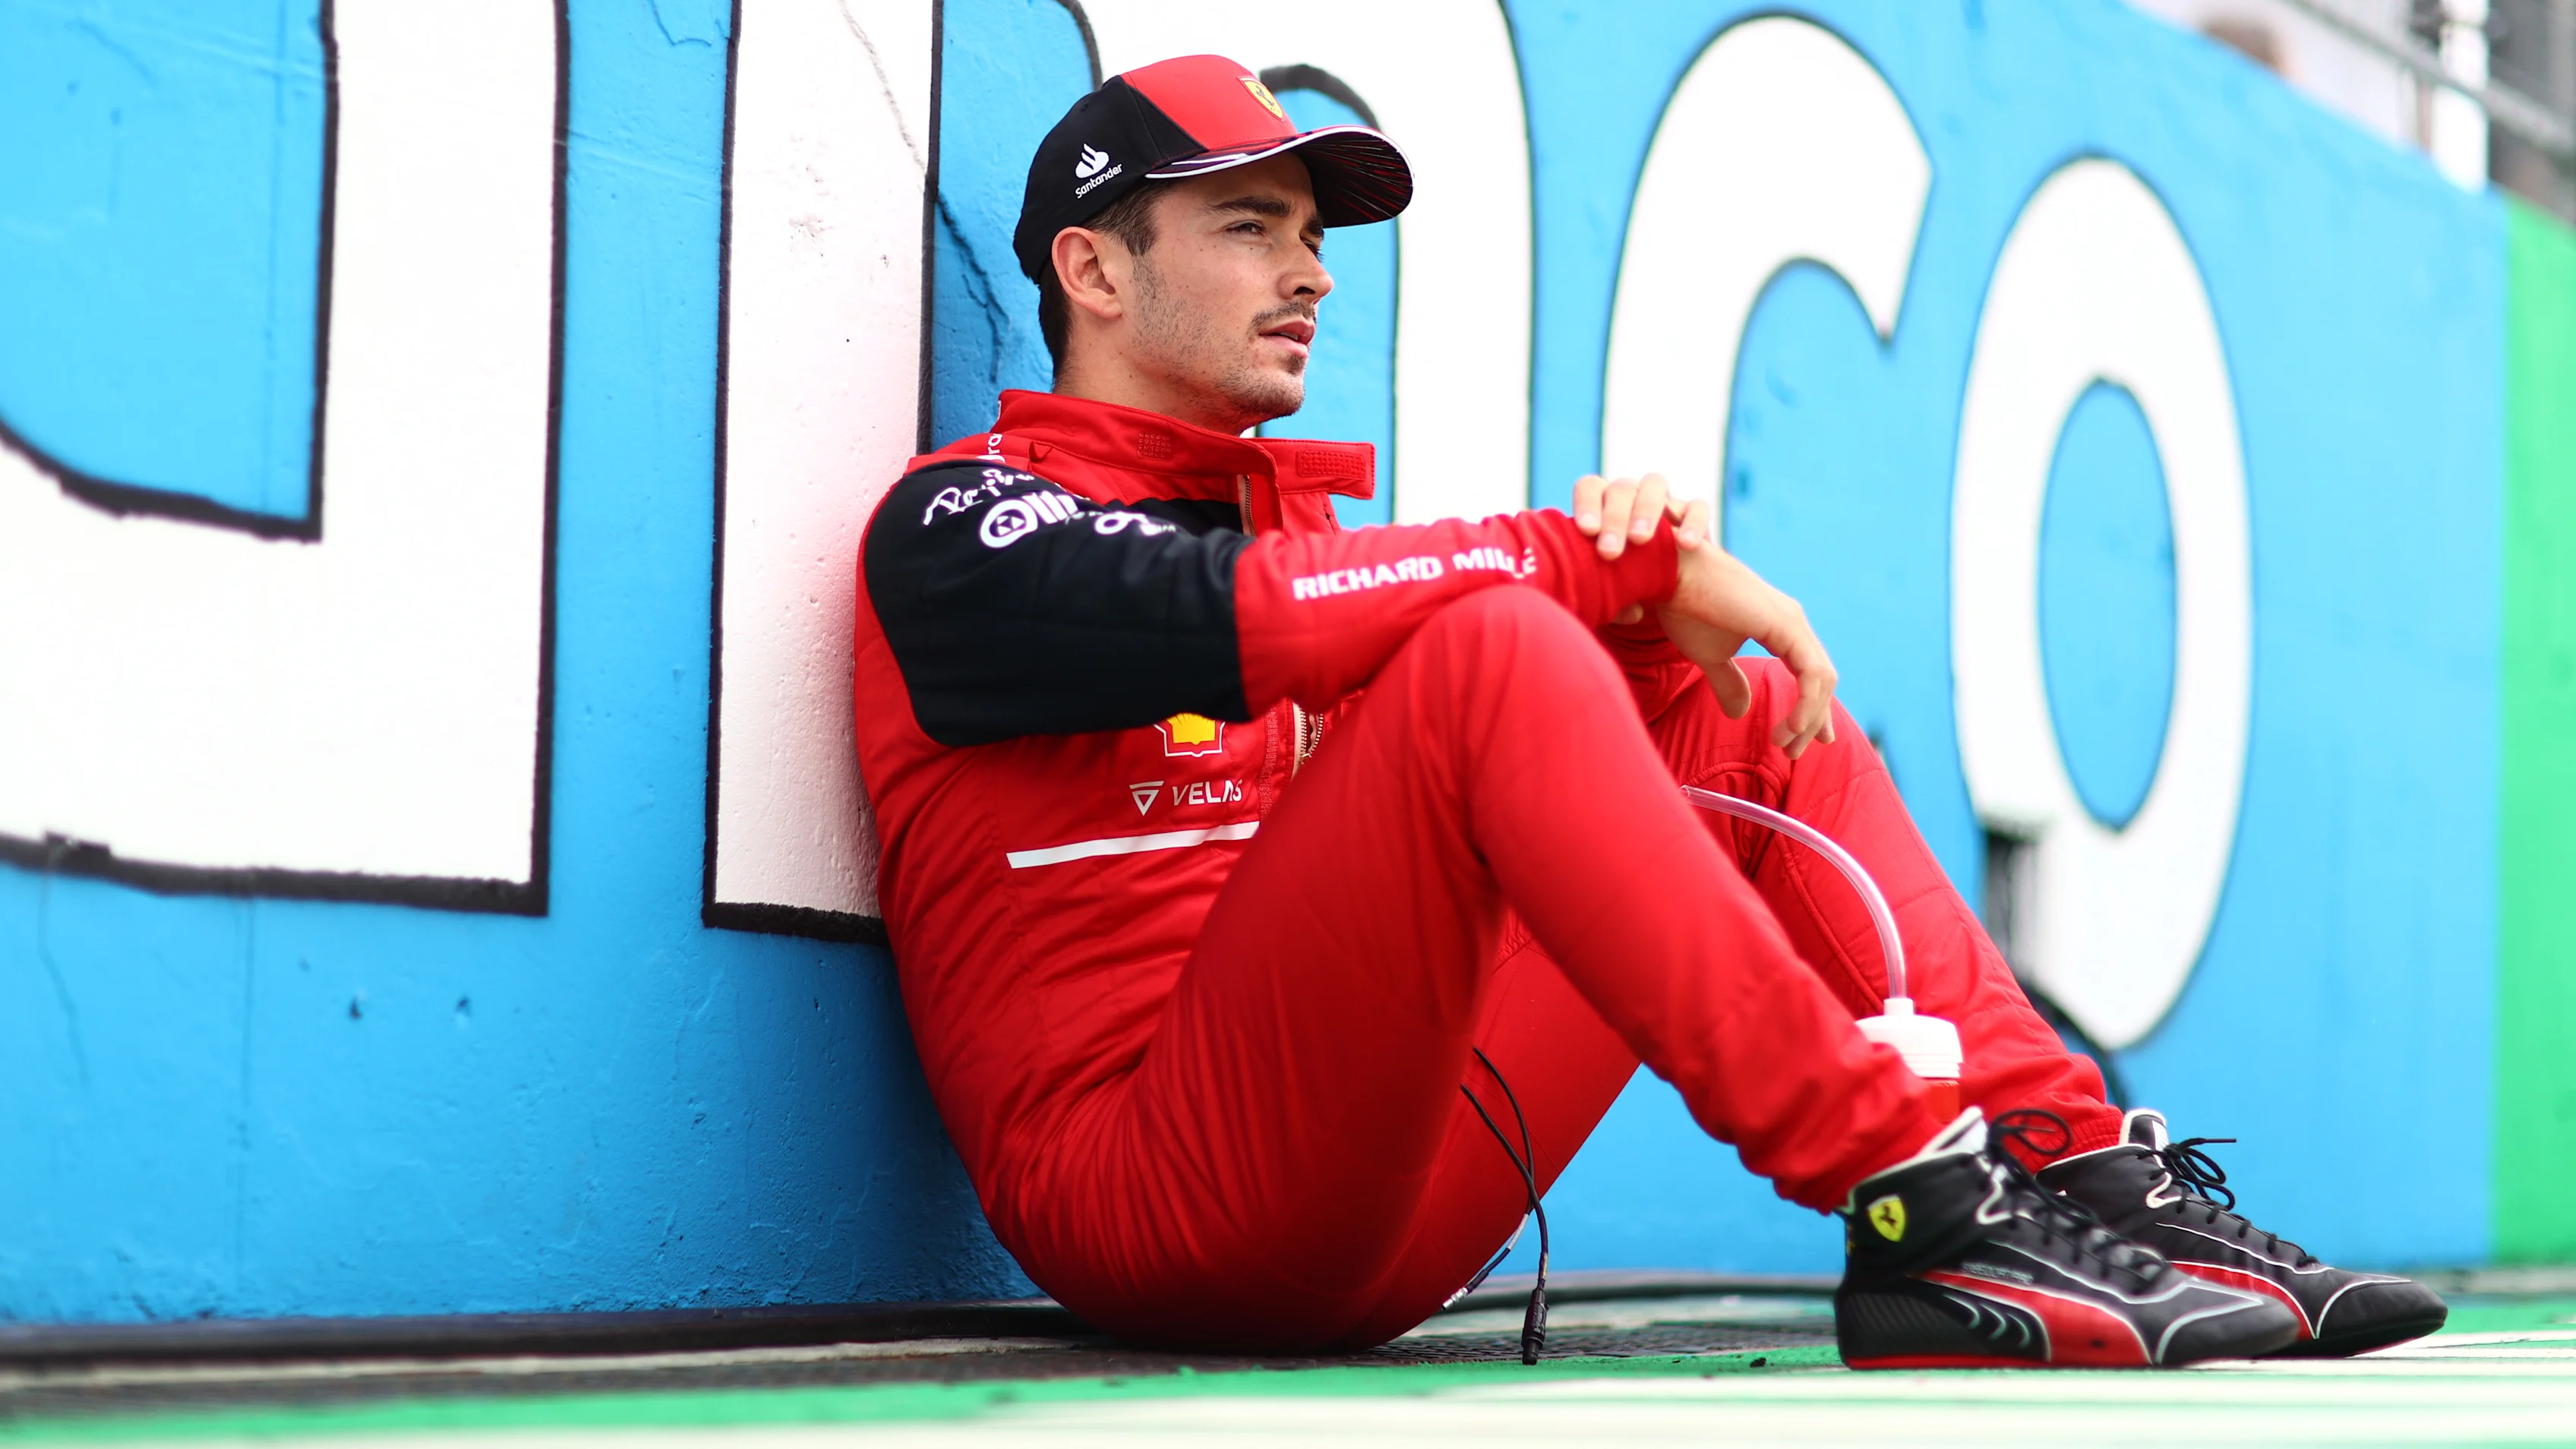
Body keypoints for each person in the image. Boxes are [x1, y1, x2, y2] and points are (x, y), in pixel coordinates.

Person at [848, 54, 2445, 1367]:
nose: (1310, 276)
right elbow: (1205, 617)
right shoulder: (959, 526)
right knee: (1503, 641)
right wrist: (1604, 562)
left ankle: (2070, 1166)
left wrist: (1647, 637)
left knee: (1734, 708)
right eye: (1252, 228)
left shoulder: (1314, 550)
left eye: (1314, 239)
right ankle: (1911, 1194)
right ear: (1092, 268)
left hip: (1391, 1198)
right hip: (1159, 1210)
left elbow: (1502, 752)